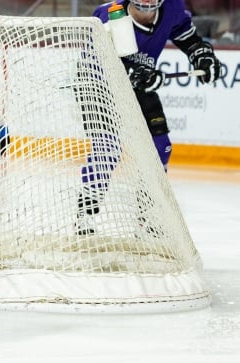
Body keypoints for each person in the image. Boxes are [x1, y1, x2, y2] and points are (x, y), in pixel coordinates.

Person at [76, 0, 223, 234]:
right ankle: (84, 216)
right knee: (108, 149)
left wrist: (202, 56)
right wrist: (134, 72)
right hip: (97, 84)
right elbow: (97, 59)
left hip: (140, 86)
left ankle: (146, 214)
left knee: (160, 147)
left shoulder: (173, 8)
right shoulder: (109, 14)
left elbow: (189, 38)